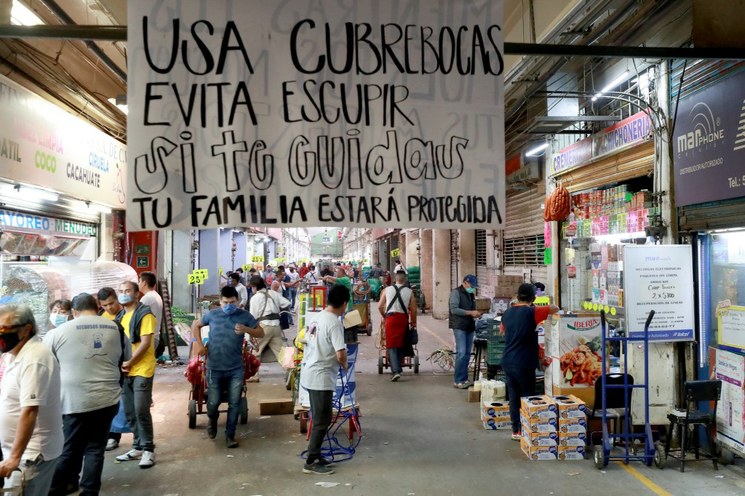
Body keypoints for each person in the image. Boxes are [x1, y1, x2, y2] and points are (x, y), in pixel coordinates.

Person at [45, 293, 124, 495]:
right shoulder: (116, 327)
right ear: (97, 307)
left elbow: (45, 366)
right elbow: (125, 358)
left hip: (74, 401)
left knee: (69, 449)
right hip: (108, 398)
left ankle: (54, 490)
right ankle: (89, 492)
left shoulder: (58, 332)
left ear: (73, 311)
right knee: (95, 449)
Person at [0, 304, 63, 495]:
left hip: (32, 454)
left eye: (3, 330)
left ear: (26, 329)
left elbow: (30, 411)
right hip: (18, 452)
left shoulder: (35, 358)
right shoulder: (15, 353)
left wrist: (15, 457)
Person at [191, 286, 264, 448]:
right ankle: (212, 420)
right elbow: (195, 326)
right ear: (220, 301)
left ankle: (230, 435)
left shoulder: (244, 316)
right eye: (225, 302)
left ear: (237, 301)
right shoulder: (212, 314)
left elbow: (261, 332)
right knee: (213, 402)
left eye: (232, 302)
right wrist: (200, 344)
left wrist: (246, 329)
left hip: (235, 368)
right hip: (214, 367)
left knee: (235, 403)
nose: (228, 305)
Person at [300, 284, 349, 475]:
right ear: (344, 303)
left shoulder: (318, 317)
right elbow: (340, 353)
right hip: (321, 377)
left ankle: (316, 453)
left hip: (311, 372)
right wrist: (344, 365)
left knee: (320, 417)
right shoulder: (335, 322)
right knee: (322, 419)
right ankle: (311, 461)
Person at [501, 283, 560, 440]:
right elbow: (555, 308)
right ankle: (528, 430)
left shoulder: (507, 313)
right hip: (524, 362)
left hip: (508, 361)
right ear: (533, 298)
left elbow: (503, 332)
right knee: (528, 397)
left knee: (513, 396)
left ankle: (516, 430)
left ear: (518, 296)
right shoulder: (531, 312)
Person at [114, 281, 157, 469]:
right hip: (125, 370)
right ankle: (137, 446)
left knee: (141, 409)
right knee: (130, 411)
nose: (124, 294)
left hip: (142, 369)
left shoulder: (144, 314)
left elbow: (146, 343)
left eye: (128, 291)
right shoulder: (121, 316)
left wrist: (129, 362)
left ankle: (148, 449)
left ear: (137, 294)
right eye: (121, 291)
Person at [96, 287, 131, 452]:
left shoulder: (128, 314)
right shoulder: (101, 319)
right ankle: (112, 435)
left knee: (129, 403)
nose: (109, 308)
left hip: (130, 363)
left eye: (111, 303)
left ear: (117, 299)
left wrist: (129, 361)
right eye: (105, 305)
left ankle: (139, 440)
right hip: (109, 365)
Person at [248, 275, 291, 379]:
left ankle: (254, 375)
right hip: (276, 326)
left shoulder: (255, 298)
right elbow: (287, 302)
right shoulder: (273, 293)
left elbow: (252, 317)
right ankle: (291, 373)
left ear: (254, 286)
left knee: (256, 351)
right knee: (281, 351)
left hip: (263, 326)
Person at [378, 271, 417, 382]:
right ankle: (398, 368)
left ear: (395, 279)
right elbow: (413, 310)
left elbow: (380, 306)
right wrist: (413, 322)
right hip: (402, 319)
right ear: (404, 280)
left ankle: (395, 371)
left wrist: (385, 316)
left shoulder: (386, 290)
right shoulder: (410, 292)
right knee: (401, 343)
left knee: (391, 345)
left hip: (390, 319)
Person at [448, 274, 483, 389]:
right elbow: (454, 309)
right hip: (459, 326)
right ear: (465, 283)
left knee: (467, 354)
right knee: (461, 353)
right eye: (471, 286)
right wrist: (470, 313)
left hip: (469, 326)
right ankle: (458, 380)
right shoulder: (456, 293)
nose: (473, 288)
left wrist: (477, 314)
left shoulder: (470, 294)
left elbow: (472, 309)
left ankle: (464, 378)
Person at [138, 271, 164, 354]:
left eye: (139, 281)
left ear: (144, 283)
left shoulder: (147, 298)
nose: (138, 283)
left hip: (149, 338)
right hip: (154, 337)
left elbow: (138, 318)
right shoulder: (155, 295)